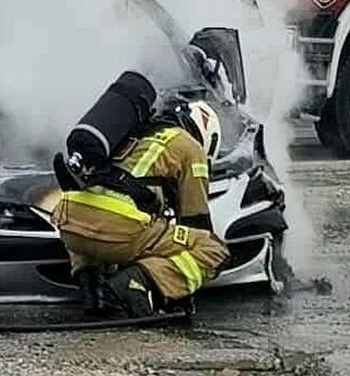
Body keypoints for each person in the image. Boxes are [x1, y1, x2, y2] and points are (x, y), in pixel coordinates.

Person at [51, 98, 231, 317]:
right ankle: (133, 284)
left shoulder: (131, 134)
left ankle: (95, 293)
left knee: (98, 216)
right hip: (119, 227)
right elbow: (196, 219)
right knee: (214, 249)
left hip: (71, 224)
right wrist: (178, 289)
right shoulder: (190, 147)